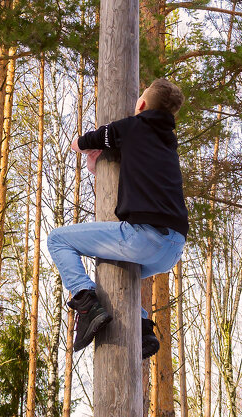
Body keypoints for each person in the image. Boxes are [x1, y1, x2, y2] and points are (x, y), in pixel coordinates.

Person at [47, 78, 188, 356]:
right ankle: (142, 323)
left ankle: (84, 301)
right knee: (115, 273)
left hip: (144, 235)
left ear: (142, 105)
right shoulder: (167, 143)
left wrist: (77, 144)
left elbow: (89, 140)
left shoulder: (134, 126)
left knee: (58, 239)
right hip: (173, 248)